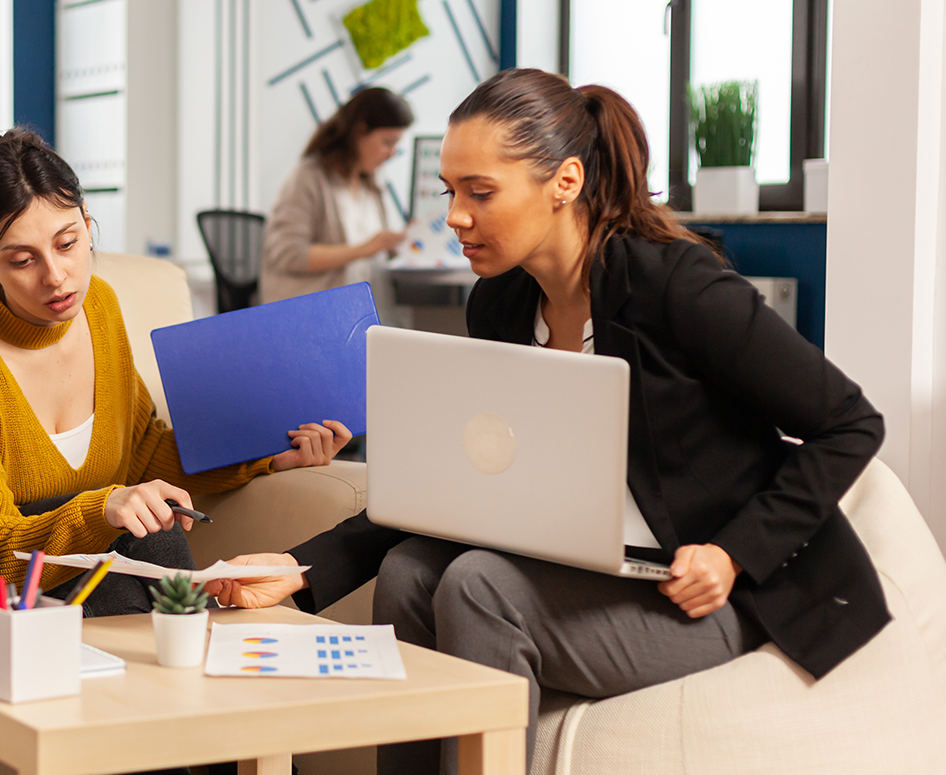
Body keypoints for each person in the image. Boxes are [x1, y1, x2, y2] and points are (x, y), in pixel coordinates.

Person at [209, 68, 889, 774]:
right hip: (590, 568)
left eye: (480, 192)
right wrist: (299, 564)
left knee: (477, 583)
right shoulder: (500, 306)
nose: (454, 217)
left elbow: (850, 421)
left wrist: (733, 552)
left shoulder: (678, 287)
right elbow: (447, 479)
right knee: (412, 571)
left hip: (713, 591)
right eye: (450, 191)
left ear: (564, 181)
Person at [0, 129, 352, 616]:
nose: (56, 276)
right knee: (140, 553)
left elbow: (144, 451)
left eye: (68, 243)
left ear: (88, 225)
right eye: (23, 260)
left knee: (155, 526)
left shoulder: (99, 306)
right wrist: (103, 509)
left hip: (78, 575)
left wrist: (269, 456)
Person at [260, 86, 413, 323]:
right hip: (314, 321)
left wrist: (403, 241)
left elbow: (378, 251)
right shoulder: (308, 178)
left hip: (362, 319)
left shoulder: (370, 186)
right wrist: (364, 248)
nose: (392, 153)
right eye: (387, 142)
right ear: (359, 132)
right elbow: (290, 254)